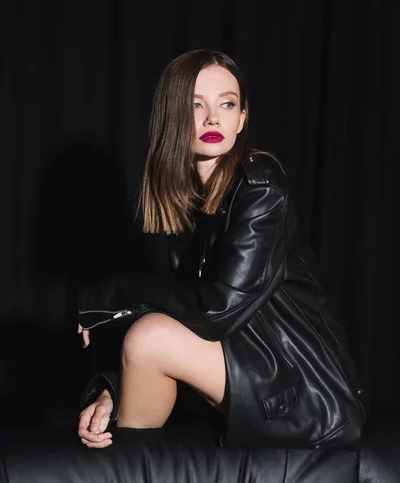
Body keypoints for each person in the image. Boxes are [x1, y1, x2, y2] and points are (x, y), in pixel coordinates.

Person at [77, 49, 368, 450]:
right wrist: (112, 391)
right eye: (196, 104)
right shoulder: (189, 202)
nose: (213, 118)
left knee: (149, 336)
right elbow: (184, 318)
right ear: (172, 116)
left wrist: (113, 295)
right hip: (256, 375)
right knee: (148, 339)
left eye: (227, 104)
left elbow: (215, 312)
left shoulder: (260, 185)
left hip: (312, 398)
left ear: (242, 119)